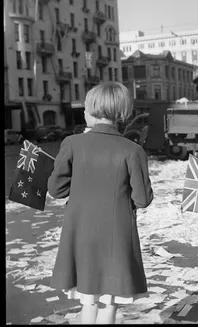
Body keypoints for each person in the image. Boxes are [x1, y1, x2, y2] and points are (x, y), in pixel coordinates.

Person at [47, 82, 154, 324]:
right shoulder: (133, 150)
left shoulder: (72, 144)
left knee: (88, 298)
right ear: (121, 113)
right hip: (116, 233)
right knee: (109, 300)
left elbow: (56, 189)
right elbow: (142, 199)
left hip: (81, 232)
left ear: (91, 110)